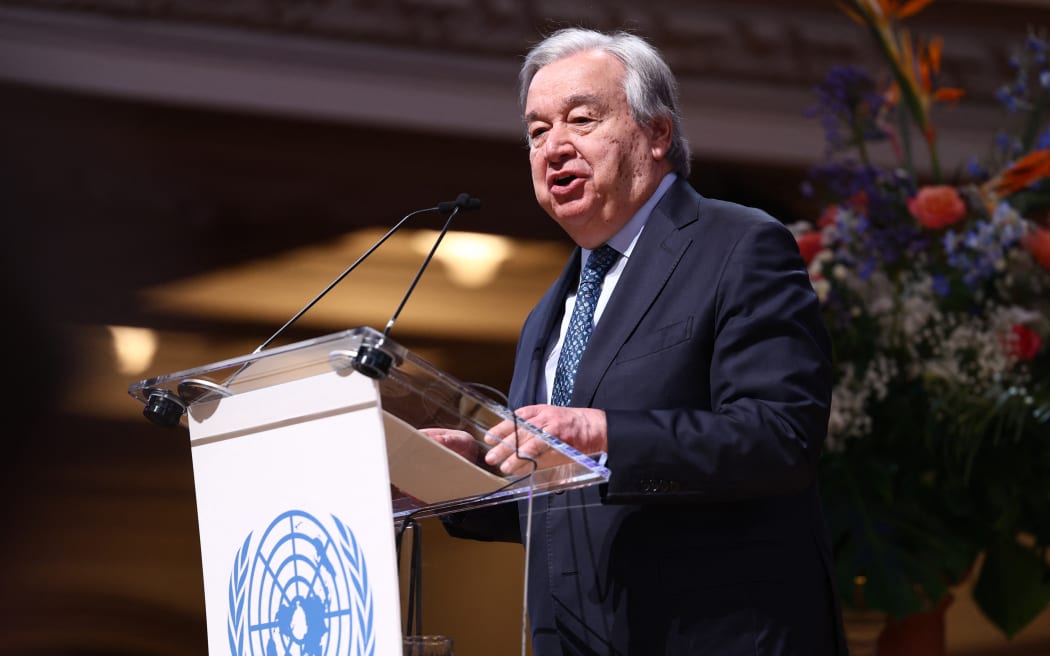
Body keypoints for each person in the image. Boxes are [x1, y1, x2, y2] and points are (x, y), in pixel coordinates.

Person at [427, 27, 847, 655]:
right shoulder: (548, 314)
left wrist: (607, 435)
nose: (554, 147)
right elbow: (557, 503)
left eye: (581, 119)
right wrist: (458, 480)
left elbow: (779, 436)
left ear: (657, 134)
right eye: (537, 132)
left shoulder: (738, 246)